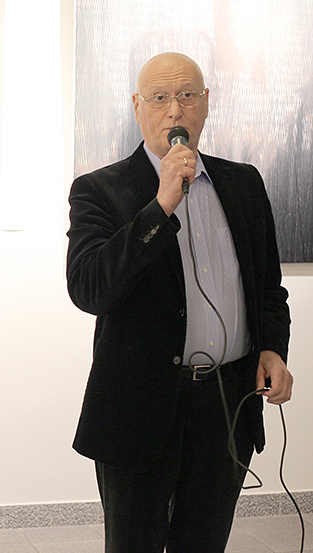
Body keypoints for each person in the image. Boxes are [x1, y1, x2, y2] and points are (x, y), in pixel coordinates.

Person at [66, 52, 292, 553]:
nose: (175, 110)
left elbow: (268, 290)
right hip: (139, 410)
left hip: (226, 405)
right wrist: (162, 203)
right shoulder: (99, 190)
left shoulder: (244, 183)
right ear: (137, 106)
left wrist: (273, 349)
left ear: (205, 103)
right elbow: (89, 288)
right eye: (160, 97)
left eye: (187, 95)